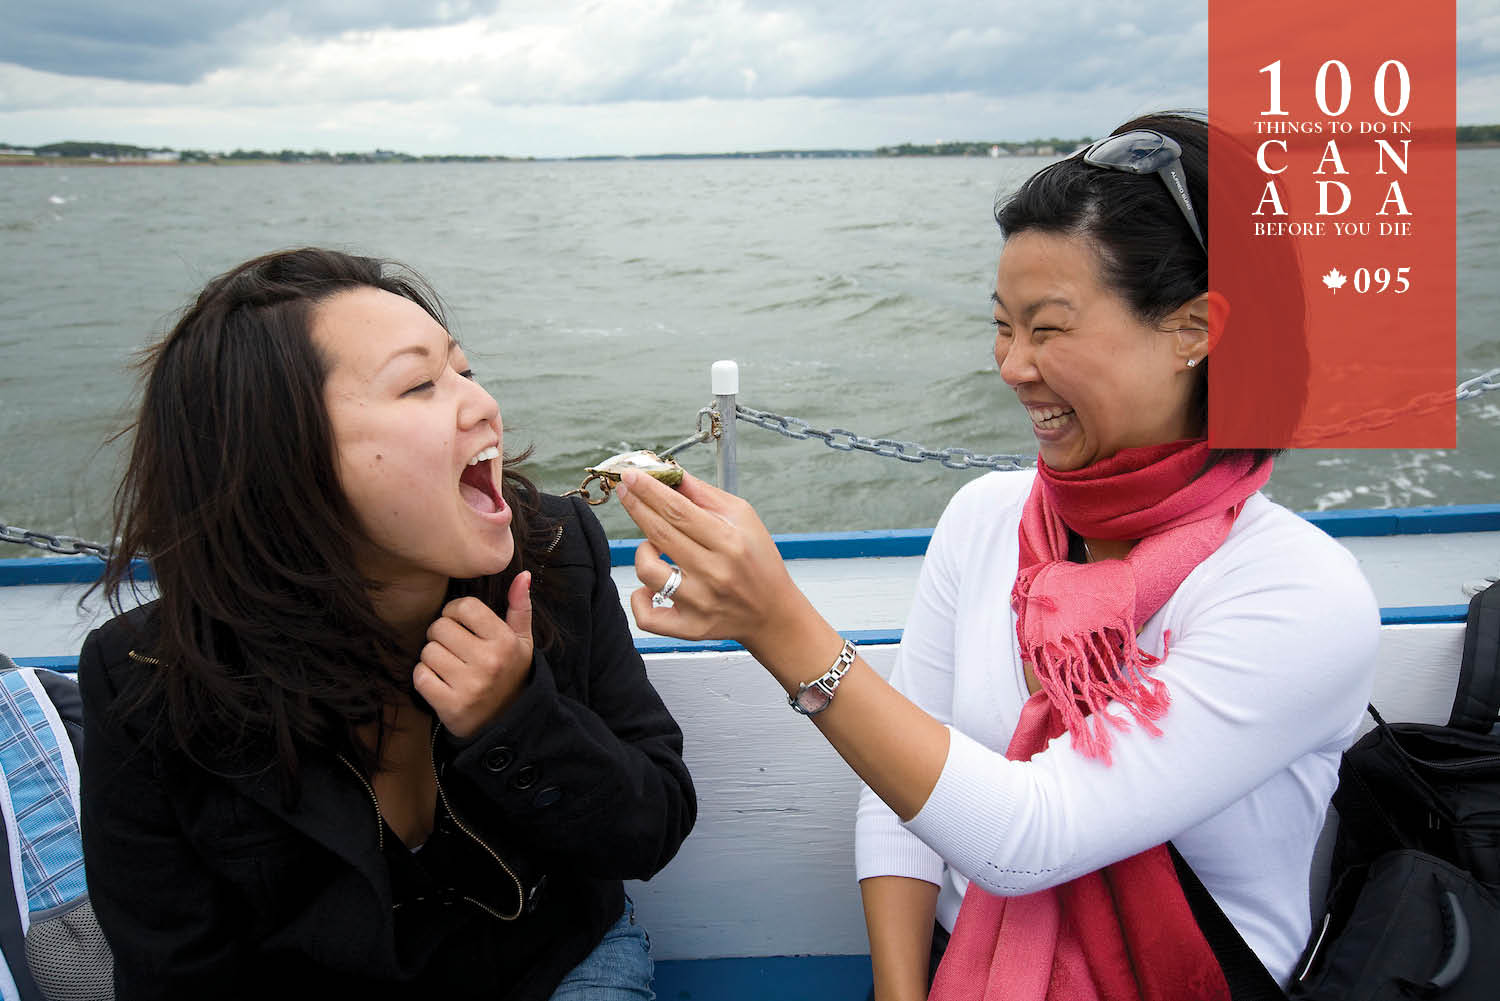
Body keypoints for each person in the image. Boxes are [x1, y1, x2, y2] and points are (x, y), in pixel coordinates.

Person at [612, 113, 1378, 1000]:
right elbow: (901, 803)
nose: (1013, 366)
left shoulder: (1298, 593)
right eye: (1002, 326)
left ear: (1194, 330)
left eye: (1048, 329)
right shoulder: (984, 519)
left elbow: (1030, 835)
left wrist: (776, 622)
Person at [79, 247, 696, 1000]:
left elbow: (651, 823)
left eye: (464, 372)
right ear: (278, 460)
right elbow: (175, 971)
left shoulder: (554, 559)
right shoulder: (149, 679)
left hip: (557, 965)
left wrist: (517, 719)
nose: (482, 405)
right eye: (419, 385)